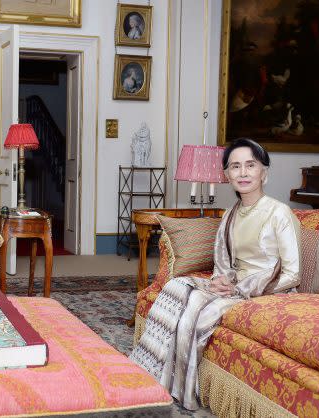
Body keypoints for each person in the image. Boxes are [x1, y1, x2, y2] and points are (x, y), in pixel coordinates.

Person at [129, 138, 301, 410]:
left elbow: (293, 274)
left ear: (264, 172)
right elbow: (224, 261)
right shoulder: (231, 213)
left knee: (195, 305)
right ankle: (146, 370)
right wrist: (222, 280)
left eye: (250, 165)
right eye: (235, 166)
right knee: (176, 286)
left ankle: (180, 391)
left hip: (267, 289)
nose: (243, 173)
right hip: (233, 286)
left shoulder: (279, 213)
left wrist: (240, 288)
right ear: (227, 175)